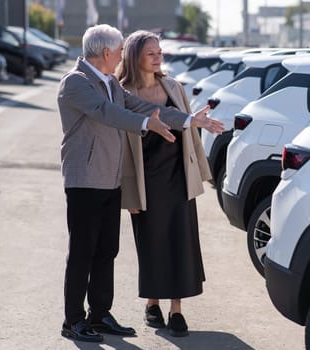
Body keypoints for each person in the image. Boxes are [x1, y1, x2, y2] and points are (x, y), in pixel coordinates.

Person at [57, 24, 223, 343]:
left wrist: (188, 120)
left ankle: (99, 314)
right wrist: (149, 125)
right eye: (120, 50)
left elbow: (142, 107)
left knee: (107, 251)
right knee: (82, 252)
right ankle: (73, 319)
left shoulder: (108, 82)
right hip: (86, 179)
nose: (122, 56)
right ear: (106, 53)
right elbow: (109, 113)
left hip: (111, 179)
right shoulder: (76, 82)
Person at [116, 30, 211, 337]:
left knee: (181, 243)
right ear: (134, 57)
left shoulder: (173, 86)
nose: (159, 57)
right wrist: (126, 193)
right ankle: (152, 303)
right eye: (151, 53)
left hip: (177, 177)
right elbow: (119, 147)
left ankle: (177, 310)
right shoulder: (122, 92)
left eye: (160, 52)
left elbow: (189, 129)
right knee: (152, 245)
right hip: (146, 182)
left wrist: (201, 173)